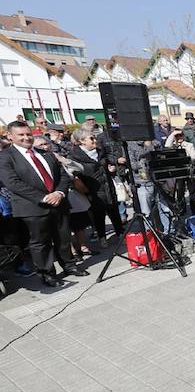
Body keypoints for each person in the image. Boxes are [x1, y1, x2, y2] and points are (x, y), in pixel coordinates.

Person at [0, 121, 88, 286]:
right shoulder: (5, 157)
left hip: (59, 202)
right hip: (33, 207)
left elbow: (61, 174)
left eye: (28, 134)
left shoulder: (45, 153)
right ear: (10, 136)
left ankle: (69, 265)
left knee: (63, 237)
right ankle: (47, 273)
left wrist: (59, 193)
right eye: (21, 135)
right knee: (41, 242)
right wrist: (44, 197)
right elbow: (13, 183)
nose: (26, 138)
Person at [68, 127, 124, 245]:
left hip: (108, 186)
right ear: (82, 141)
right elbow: (75, 174)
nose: (95, 140)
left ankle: (120, 233)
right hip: (93, 190)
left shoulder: (100, 151)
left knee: (114, 212)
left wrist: (114, 164)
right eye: (91, 138)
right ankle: (102, 237)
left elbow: (108, 159)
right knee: (98, 215)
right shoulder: (75, 156)